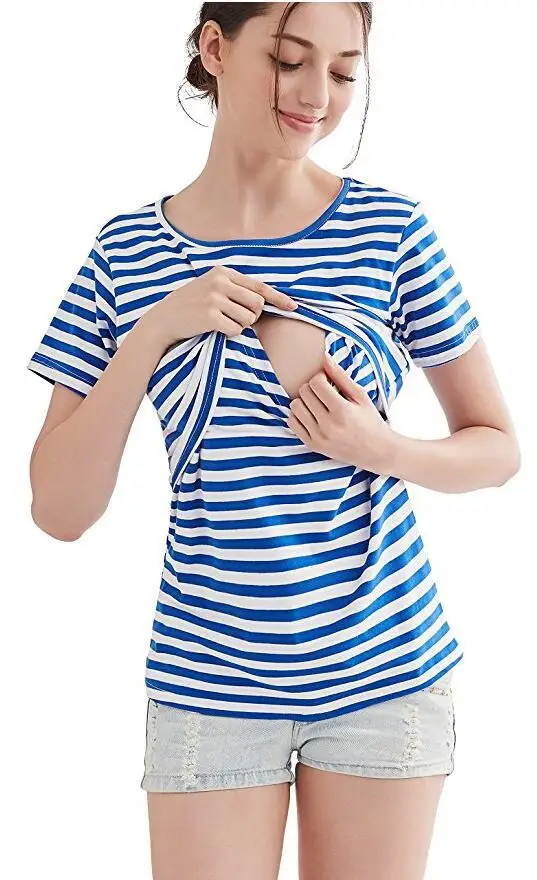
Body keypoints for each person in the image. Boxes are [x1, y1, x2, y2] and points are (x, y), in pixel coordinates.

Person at [26, 3, 521, 879]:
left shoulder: (390, 231)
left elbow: (496, 447)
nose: (316, 96)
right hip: (206, 684)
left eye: (342, 71)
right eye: (289, 60)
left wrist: (383, 448)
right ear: (214, 48)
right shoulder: (125, 250)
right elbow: (59, 511)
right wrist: (153, 332)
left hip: (386, 672)